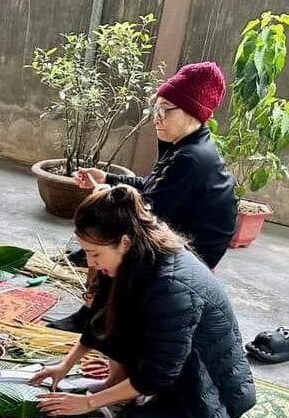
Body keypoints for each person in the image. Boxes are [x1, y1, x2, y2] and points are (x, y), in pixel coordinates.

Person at [30, 185, 255, 418]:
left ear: (124, 242)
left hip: (206, 393)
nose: (90, 262)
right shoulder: (130, 254)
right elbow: (100, 318)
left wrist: (89, 403)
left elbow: (157, 375)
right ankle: (119, 389)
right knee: (116, 320)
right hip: (173, 373)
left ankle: (152, 412)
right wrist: (65, 365)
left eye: (95, 254)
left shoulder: (172, 286)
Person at [51, 61, 237, 332]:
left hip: (193, 253)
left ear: (193, 112)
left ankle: (94, 318)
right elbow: (152, 185)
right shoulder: (186, 145)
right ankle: (96, 309)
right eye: (155, 109)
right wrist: (107, 179)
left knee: (121, 238)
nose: (156, 118)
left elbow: (147, 210)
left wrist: (104, 196)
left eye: (165, 110)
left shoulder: (191, 158)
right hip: (178, 231)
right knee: (114, 227)